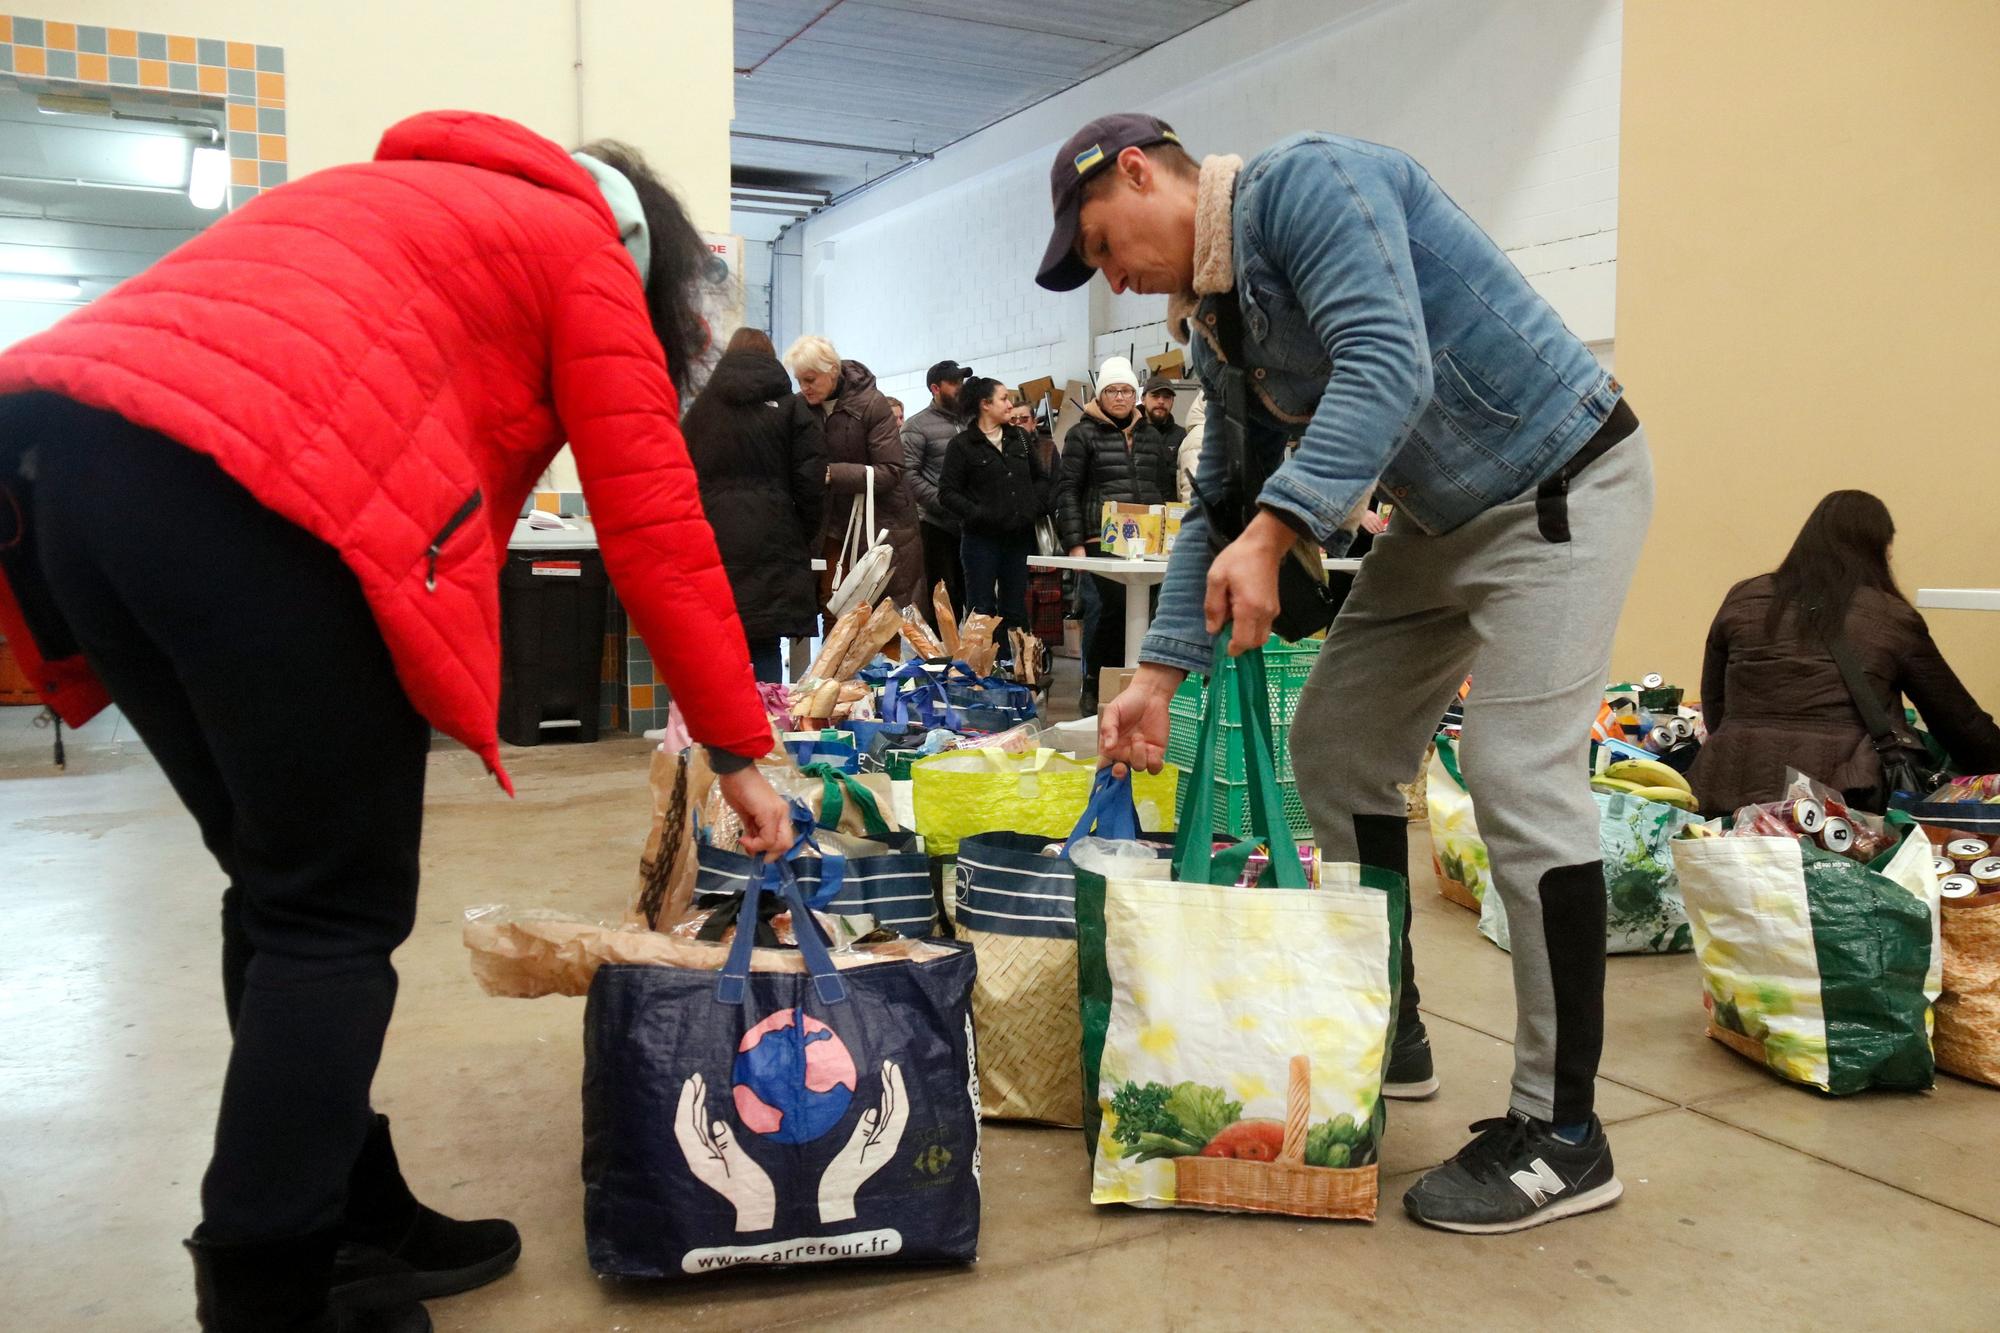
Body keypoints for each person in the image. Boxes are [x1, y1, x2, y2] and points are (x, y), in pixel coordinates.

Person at [0, 113, 794, 1332]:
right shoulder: (576, 247)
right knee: (331, 913)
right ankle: (271, 1290)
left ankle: (355, 1218)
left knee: (279, 890)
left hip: (65, 473)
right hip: (255, 498)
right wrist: (739, 745)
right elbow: (652, 521)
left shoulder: (385, 201)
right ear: (650, 255)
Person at [1042, 113, 1648, 1233]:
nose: (1108, 274)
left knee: (1518, 777)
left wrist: (1274, 537)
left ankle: (1562, 1131)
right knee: (1333, 746)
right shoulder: (1219, 330)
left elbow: (1387, 362)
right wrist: (1156, 677)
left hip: (1557, 480)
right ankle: (1386, 1022)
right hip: (1441, 518)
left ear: (1138, 172)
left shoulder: (1307, 186)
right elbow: (1217, 505)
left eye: (1098, 240)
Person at [1689, 490, 2000, 815]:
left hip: (1726, 785)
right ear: (1877, 548)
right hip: (1841, 800)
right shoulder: (1890, 616)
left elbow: (1715, 703)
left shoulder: (1744, 598)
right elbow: (1957, 721)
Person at [681, 327, 826, 682]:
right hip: (773, 538)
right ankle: (766, 730)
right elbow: (811, 483)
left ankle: (715, 732)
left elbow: (679, 476)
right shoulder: (793, 410)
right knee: (763, 643)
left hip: (712, 540)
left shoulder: (699, 412)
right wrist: (799, 532)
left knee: (717, 643)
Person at [1055, 354, 1179, 714]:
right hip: (1100, 542)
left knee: (1145, 616)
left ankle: (1136, 689)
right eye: (1113, 390)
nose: (1121, 397)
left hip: (1147, 545)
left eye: (1127, 390)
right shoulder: (1082, 435)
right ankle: (1095, 685)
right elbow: (1068, 491)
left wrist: (1170, 536)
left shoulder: (1150, 436)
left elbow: (1164, 487)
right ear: (1101, 394)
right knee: (1104, 615)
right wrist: (1075, 544)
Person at [784, 335, 924, 618]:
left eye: (810, 379)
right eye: (799, 380)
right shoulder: (799, 407)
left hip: (880, 524)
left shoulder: (872, 404)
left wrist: (831, 474)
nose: (804, 388)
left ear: (832, 371)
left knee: (882, 613)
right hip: (828, 526)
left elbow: (892, 470)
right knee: (833, 608)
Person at [938, 377, 1051, 651]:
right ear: (985, 404)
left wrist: (1032, 508)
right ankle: (985, 672)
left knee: (1015, 608)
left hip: (1018, 539)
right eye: (1003, 398)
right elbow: (947, 493)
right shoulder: (962, 445)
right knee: (982, 610)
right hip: (980, 541)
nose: (1010, 404)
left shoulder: (1021, 439)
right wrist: (978, 514)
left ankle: (1018, 672)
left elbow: (1041, 479)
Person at [902, 359, 971, 616]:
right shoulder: (916, 426)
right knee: (942, 600)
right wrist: (947, 502)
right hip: (936, 525)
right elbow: (908, 475)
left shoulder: (972, 422)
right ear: (935, 388)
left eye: (961, 381)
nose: (959, 388)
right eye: (953, 383)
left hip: (971, 524)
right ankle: (938, 655)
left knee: (972, 597)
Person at [1140, 373, 1188, 476]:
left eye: (1166, 397)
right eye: (1155, 396)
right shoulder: (1131, 432)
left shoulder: (1182, 437)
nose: (1161, 401)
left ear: (1172, 401)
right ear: (1143, 399)